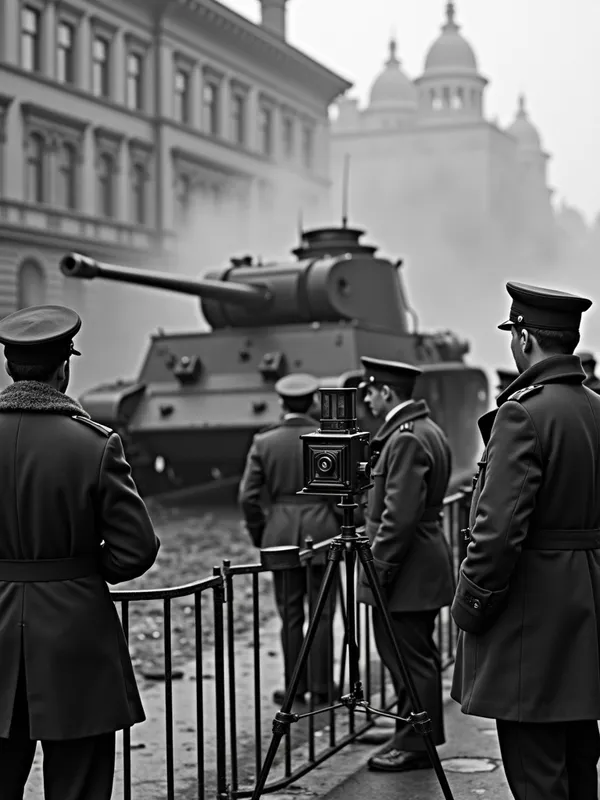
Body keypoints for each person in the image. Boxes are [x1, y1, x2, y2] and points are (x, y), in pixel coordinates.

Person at [0, 305, 160, 800]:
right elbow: (136, 549)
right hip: (76, 638)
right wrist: (79, 570)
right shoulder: (94, 444)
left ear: (9, 367)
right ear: (63, 368)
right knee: (79, 786)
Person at [451, 282, 600, 800]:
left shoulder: (523, 413)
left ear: (524, 338)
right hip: (588, 608)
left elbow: (496, 535)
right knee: (581, 760)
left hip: (533, 621)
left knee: (537, 773)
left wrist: (469, 606)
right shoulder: (596, 408)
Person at [356, 357, 455, 773]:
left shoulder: (405, 438)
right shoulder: (422, 430)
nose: (365, 397)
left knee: (411, 656)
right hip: (417, 564)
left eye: (370, 390)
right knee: (410, 654)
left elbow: (398, 517)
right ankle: (408, 725)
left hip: (407, 568)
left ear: (386, 392)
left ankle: (417, 742)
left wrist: (378, 571)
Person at [238, 373, 339, 706]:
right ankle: (324, 688)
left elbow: (249, 497)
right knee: (322, 613)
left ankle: (295, 686)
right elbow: (342, 493)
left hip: (280, 534)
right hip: (323, 534)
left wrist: (262, 533)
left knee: (290, 614)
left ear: (282, 403)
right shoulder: (327, 436)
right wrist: (337, 525)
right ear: (312, 403)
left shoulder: (264, 442)